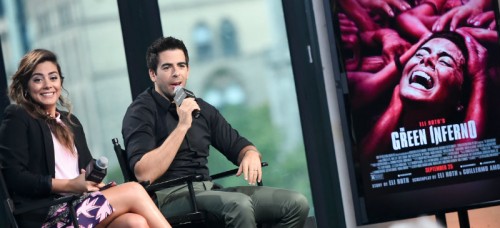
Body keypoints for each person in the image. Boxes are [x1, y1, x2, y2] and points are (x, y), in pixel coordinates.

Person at [122, 36, 310, 227]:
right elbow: (144, 174)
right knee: (239, 205)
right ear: (153, 74)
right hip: (166, 199)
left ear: (188, 70)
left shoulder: (200, 108)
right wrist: (182, 126)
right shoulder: (141, 112)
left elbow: (238, 145)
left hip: (208, 190)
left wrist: (250, 153)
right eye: (167, 67)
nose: (176, 73)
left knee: (295, 204)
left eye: (181, 66)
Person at [0, 49, 171, 228]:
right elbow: (15, 177)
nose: (47, 85)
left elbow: (87, 170)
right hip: (50, 217)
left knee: (134, 222)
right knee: (134, 190)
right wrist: (70, 185)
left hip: (79, 207)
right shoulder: (18, 116)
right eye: (37, 79)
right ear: (26, 86)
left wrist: (100, 186)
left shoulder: (70, 121)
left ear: (60, 82)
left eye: (53, 77)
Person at [347, 30, 488, 157]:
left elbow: (464, 162)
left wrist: (479, 78)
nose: (426, 59)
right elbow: (364, 167)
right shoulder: (372, 105)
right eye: (420, 54)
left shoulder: (451, 144)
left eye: (445, 61)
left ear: (459, 99)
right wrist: (395, 106)